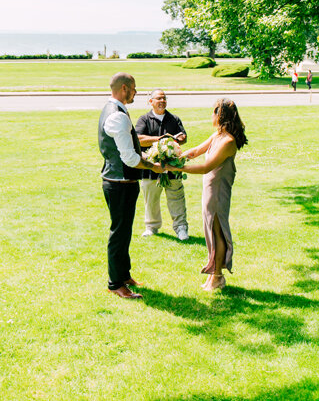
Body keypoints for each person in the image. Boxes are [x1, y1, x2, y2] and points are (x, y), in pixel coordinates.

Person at [166, 98, 248, 291]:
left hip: (218, 192)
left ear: (220, 115)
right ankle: (213, 274)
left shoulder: (228, 141)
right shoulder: (218, 135)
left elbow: (205, 167)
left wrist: (175, 168)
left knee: (216, 232)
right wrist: (176, 155)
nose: (211, 115)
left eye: (213, 112)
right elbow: (196, 151)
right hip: (210, 190)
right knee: (210, 231)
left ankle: (217, 276)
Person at [97, 72, 164, 299]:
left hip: (122, 182)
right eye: (134, 89)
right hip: (119, 183)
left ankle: (124, 275)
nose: (135, 93)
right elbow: (128, 157)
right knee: (119, 233)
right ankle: (115, 284)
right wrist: (151, 165)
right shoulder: (117, 116)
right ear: (124, 88)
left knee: (124, 232)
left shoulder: (115, 111)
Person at [135, 89, 189, 240]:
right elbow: (138, 139)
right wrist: (160, 139)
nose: (162, 101)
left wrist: (177, 139)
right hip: (151, 167)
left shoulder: (174, 118)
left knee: (177, 198)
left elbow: (183, 137)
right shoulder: (144, 119)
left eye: (164, 98)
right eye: (159, 98)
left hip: (173, 166)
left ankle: (181, 228)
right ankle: (152, 227)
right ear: (150, 101)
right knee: (151, 199)